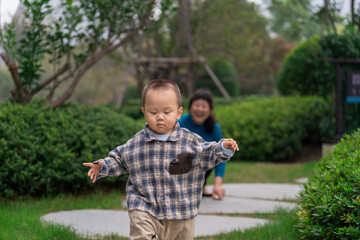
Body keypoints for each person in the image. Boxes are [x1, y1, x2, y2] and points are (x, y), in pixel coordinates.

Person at [83, 79, 239, 240]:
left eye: (166, 112)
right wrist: (102, 166)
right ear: (144, 113)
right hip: (144, 206)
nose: (160, 117)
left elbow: (208, 152)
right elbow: (120, 159)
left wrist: (223, 148)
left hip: (181, 210)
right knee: (142, 235)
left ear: (178, 113)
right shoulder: (137, 142)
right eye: (153, 112)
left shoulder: (190, 141)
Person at [178, 89, 226, 200]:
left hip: (201, 166)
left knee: (211, 153)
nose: (200, 109)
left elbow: (221, 156)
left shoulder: (214, 128)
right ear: (190, 107)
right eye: (197, 105)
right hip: (180, 165)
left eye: (204, 106)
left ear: (210, 110)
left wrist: (217, 185)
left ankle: (200, 186)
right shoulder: (180, 122)